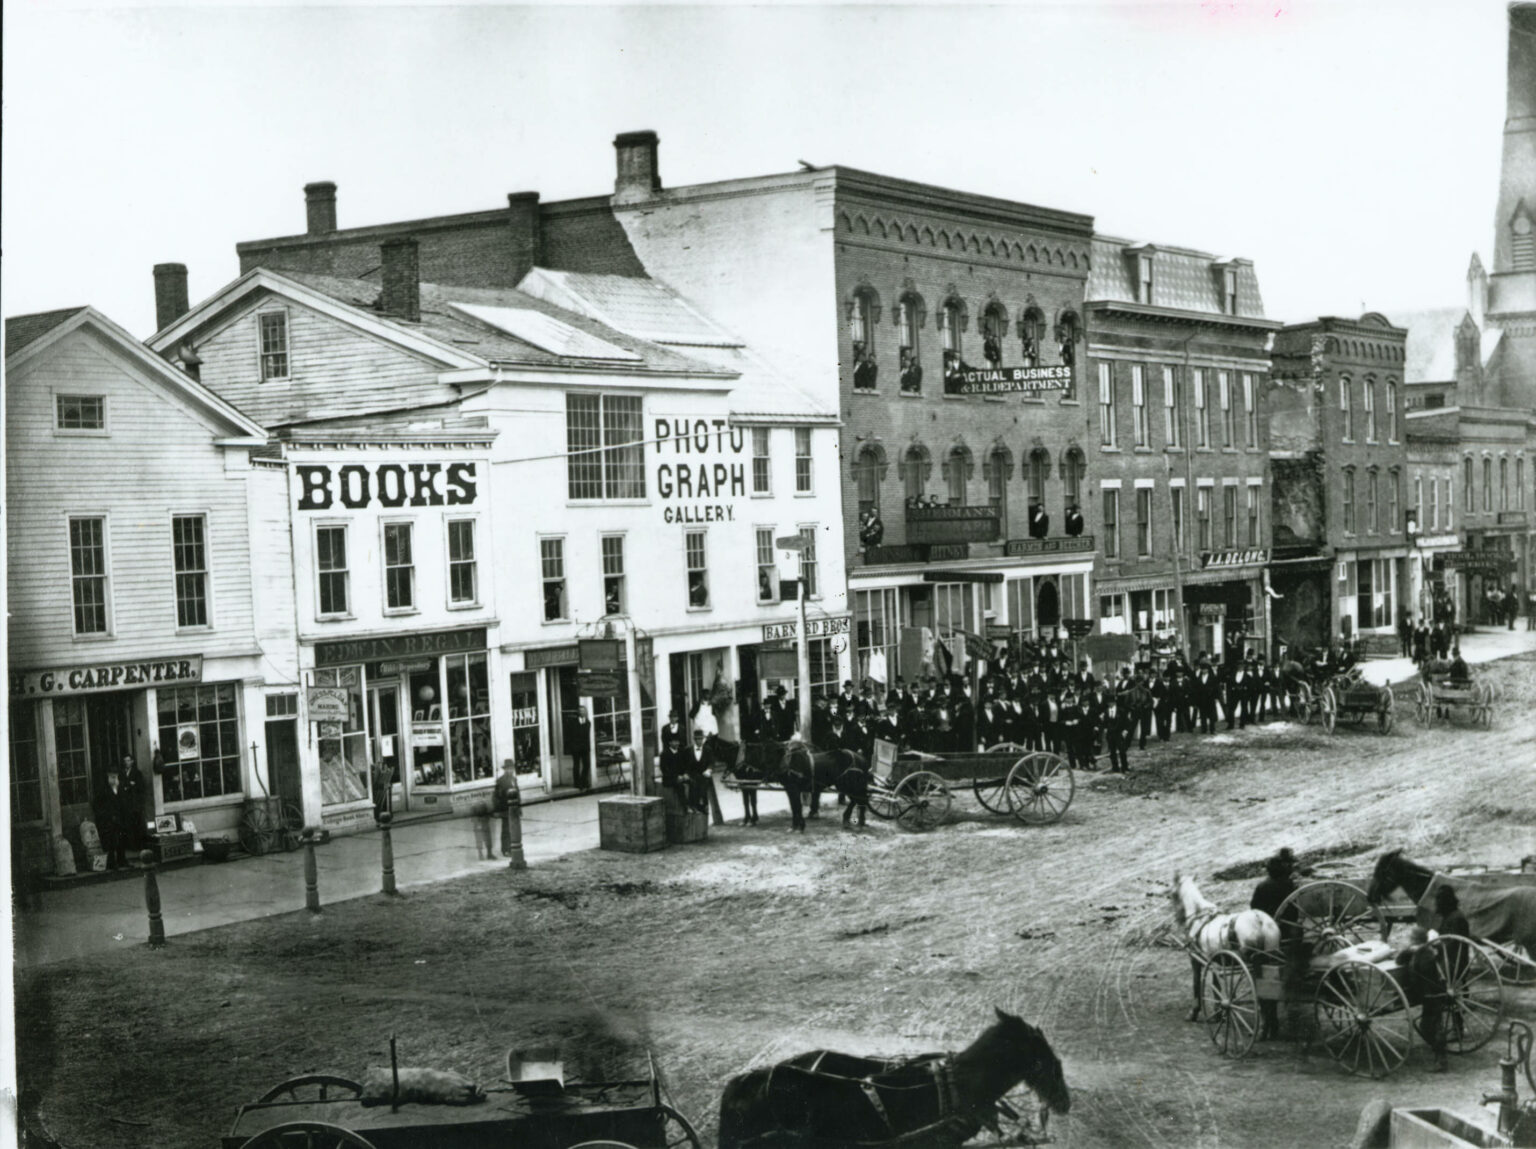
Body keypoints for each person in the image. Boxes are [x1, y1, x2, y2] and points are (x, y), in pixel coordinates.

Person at [1250, 848, 1302, 1039]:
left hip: (1271, 937)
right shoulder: (1292, 886)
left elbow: (1254, 911)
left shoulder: (1262, 887)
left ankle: (1269, 1024)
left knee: (1261, 974)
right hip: (1292, 936)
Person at [95, 768, 130, 869]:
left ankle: (122, 860)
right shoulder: (103, 789)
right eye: (112, 777)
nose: (115, 779)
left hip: (120, 819)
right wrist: (106, 816)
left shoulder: (120, 788)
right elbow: (98, 805)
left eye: (116, 777)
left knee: (121, 840)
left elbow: (124, 802)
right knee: (111, 842)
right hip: (108, 821)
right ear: (108, 777)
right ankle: (111, 863)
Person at [491, 759, 521, 859]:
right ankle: (505, 849)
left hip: (514, 808)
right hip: (505, 807)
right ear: (505, 770)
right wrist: (498, 810)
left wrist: (519, 807)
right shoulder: (501, 781)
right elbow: (497, 796)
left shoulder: (514, 779)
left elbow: (518, 793)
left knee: (514, 829)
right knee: (506, 829)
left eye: (511, 768)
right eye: (508, 769)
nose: (510, 771)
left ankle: (513, 847)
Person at [568, 708, 592, 792]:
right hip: (576, 747)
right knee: (576, 765)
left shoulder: (588, 723)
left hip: (585, 747)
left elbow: (586, 735)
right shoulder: (573, 723)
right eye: (581, 711)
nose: (582, 713)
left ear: (586, 713)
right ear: (578, 713)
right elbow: (571, 735)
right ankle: (577, 783)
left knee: (587, 764)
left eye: (584, 711)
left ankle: (583, 781)